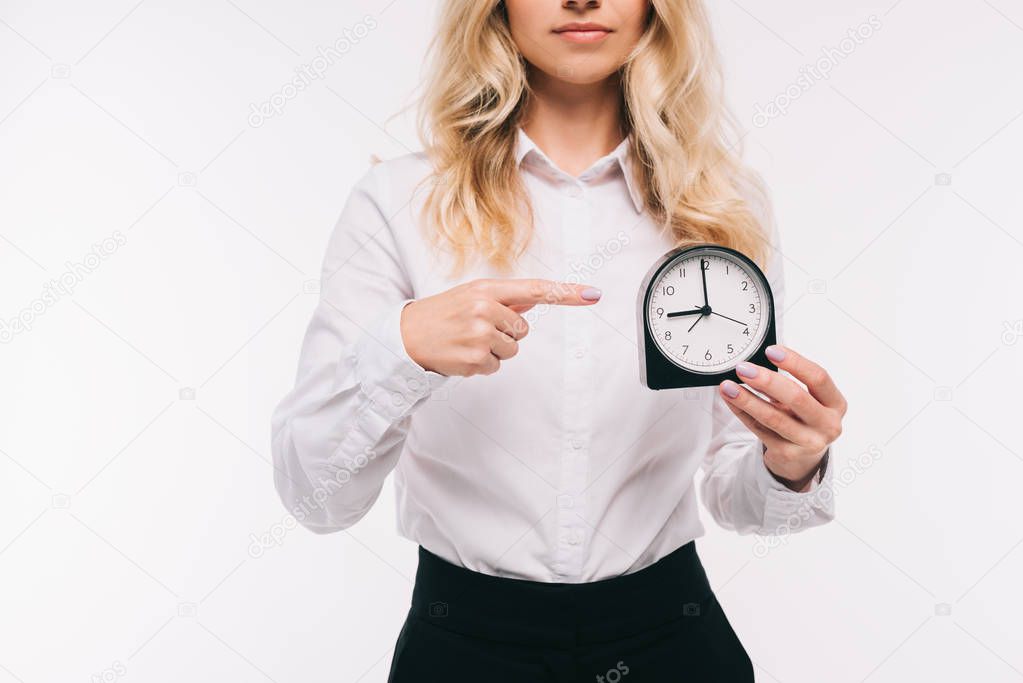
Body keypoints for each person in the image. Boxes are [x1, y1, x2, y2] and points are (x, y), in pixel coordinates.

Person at [271, 1, 847, 680]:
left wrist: (792, 458)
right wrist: (403, 348)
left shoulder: (724, 203)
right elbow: (315, 499)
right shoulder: (398, 202)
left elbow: (739, 493)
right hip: (460, 645)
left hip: (673, 641)